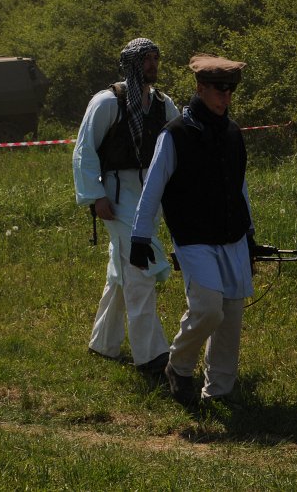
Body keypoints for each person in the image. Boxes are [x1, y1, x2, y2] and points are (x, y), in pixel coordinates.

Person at [130, 53, 257, 405]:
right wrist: (140, 237)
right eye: (219, 90)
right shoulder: (175, 135)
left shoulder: (232, 132)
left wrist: (249, 234)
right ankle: (179, 366)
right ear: (200, 88)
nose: (225, 97)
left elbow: (239, 185)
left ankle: (218, 391)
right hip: (193, 238)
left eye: (230, 91)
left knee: (231, 315)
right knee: (207, 309)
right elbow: (152, 188)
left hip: (231, 235)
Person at [72, 38, 180, 376]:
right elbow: (84, 151)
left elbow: (180, 144)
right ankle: (152, 356)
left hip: (150, 193)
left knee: (121, 271)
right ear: (131, 63)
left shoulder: (163, 104)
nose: (152, 64)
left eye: (155, 58)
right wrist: (96, 195)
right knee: (140, 267)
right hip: (116, 196)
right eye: (145, 59)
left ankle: (103, 342)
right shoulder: (107, 103)